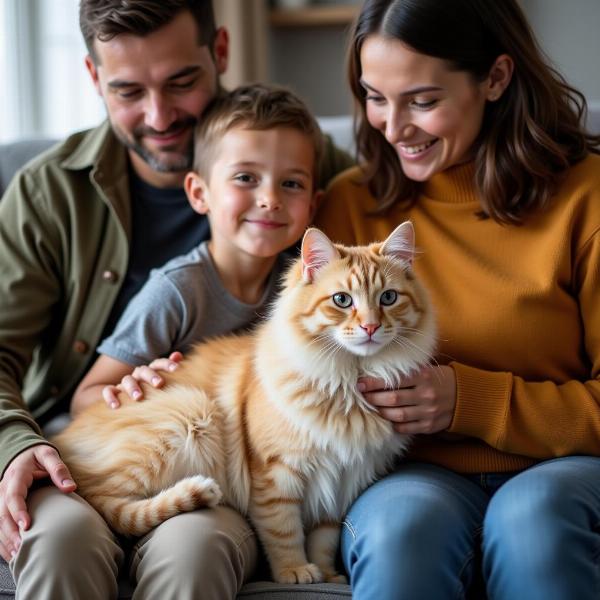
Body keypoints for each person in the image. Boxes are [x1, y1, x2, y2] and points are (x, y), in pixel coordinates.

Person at [0, 1, 352, 598]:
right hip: (98, 443)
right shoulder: (48, 191)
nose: (159, 116)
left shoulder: (312, 170)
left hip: (221, 469)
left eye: (181, 83)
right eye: (128, 90)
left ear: (219, 53)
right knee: (59, 545)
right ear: (92, 78)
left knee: (194, 556)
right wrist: (15, 443)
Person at [313, 0, 600, 598]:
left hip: (560, 469)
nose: (392, 128)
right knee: (399, 532)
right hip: (411, 474)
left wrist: (470, 401)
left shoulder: (586, 199)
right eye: (374, 96)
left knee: (534, 522)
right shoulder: (348, 207)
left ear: (496, 78)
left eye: (422, 101)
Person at [71, 83, 321, 417]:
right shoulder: (175, 290)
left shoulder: (305, 288)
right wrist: (131, 388)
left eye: (291, 183)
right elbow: (83, 400)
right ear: (199, 193)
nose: (270, 200)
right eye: (246, 177)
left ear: (313, 206)